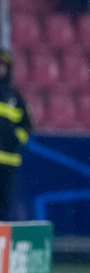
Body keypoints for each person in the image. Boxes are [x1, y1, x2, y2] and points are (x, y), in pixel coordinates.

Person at [0, 50, 33, 221]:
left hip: (9, 161)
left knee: (4, 204)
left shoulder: (15, 96)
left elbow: (27, 125)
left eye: (3, 65)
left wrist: (16, 138)